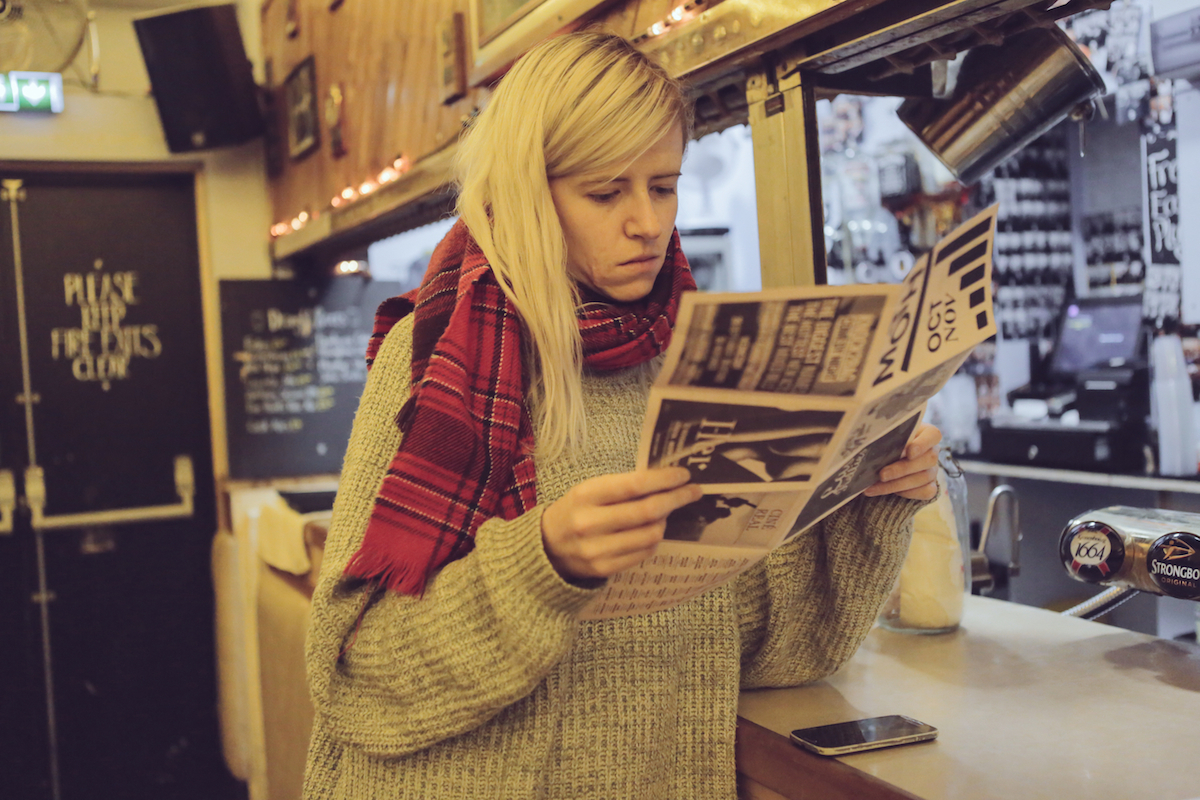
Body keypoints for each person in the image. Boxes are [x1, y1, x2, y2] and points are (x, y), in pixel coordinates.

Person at [302, 30, 942, 800]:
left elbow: (774, 649)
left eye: (664, 186)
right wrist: (545, 565)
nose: (647, 222)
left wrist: (867, 496)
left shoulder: (699, 362)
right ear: (529, 193)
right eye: (606, 193)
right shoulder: (439, 354)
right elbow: (353, 679)